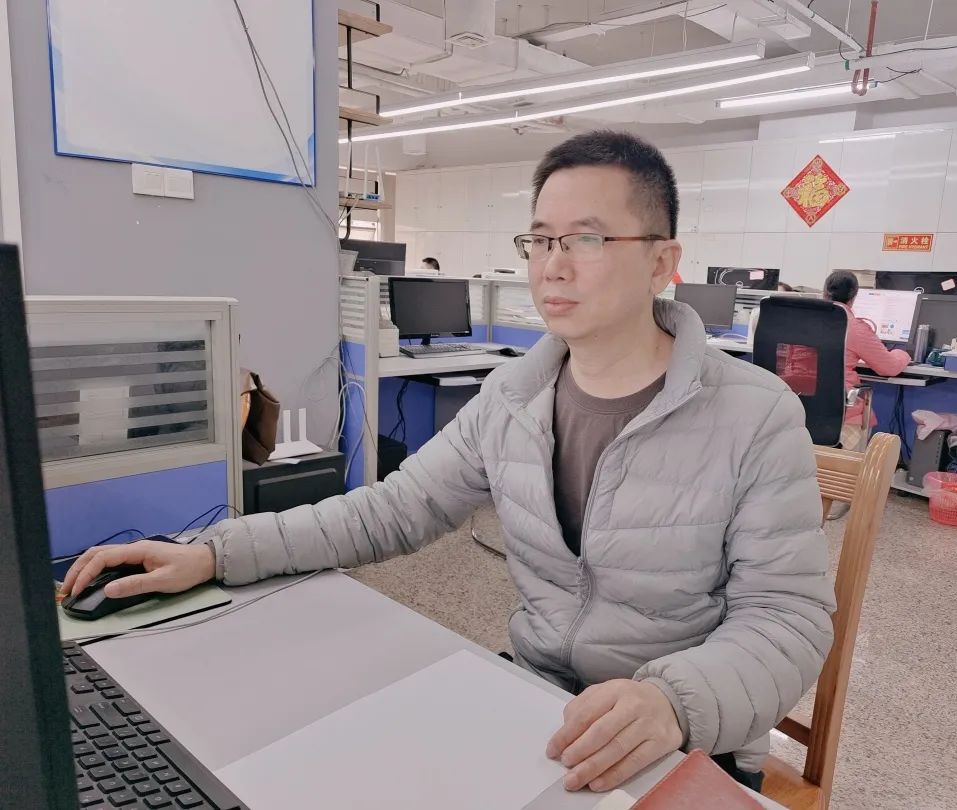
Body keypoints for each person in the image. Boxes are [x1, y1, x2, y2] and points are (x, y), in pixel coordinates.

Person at [62, 131, 834, 794]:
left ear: (663, 261)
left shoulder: (755, 415)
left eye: (588, 239)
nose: (553, 266)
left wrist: (672, 702)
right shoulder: (513, 398)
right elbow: (393, 510)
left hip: (680, 739)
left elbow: (788, 620)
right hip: (536, 706)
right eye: (541, 240)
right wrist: (214, 552)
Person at [823, 270, 912, 449]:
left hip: (802, 411)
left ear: (824, 292)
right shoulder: (854, 327)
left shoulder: (804, 322)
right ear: (854, 296)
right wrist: (904, 354)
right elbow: (889, 367)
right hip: (842, 415)